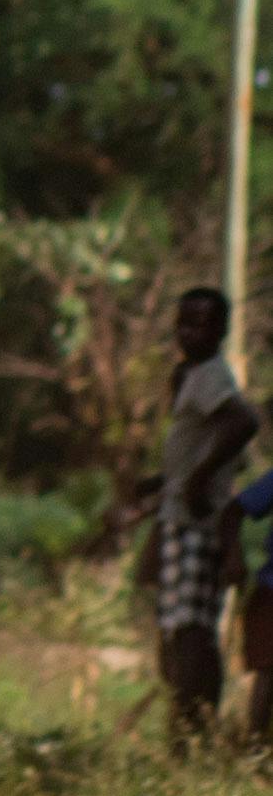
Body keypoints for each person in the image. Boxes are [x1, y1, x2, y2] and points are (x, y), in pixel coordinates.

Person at [148, 288, 258, 735]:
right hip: (177, 518)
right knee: (175, 633)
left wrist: (198, 479)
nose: (188, 332)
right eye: (183, 322)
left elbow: (245, 421)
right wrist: (165, 482)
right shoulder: (190, 376)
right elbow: (196, 446)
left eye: (200, 323)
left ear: (221, 330)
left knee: (192, 632)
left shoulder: (212, 374)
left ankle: (196, 732)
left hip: (198, 522)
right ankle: (185, 727)